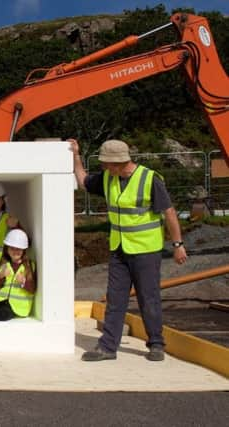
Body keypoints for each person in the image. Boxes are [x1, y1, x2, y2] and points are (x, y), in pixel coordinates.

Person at [70, 138, 187, 362]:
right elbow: (84, 181)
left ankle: (156, 344)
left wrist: (178, 245)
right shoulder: (108, 179)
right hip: (119, 249)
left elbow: (169, 212)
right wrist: (75, 156)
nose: (103, 167)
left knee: (148, 298)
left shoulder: (149, 179)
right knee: (115, 299)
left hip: (146, 250)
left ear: (119, 162)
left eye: (106, 163)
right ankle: (107, 348)